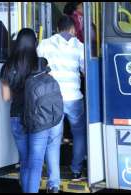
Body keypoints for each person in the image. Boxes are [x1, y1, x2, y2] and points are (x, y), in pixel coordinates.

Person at [0, 28, 63, 193]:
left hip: (16, 117)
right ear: (35, 44)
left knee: (26, 162)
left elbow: (6, 97)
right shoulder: (41, 63)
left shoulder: (8, 67)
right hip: (38, 118)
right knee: (35, 163)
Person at [37, 15, 87, 182]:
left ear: (57, 29)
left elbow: (39, 68)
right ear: (72, 29)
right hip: (74, 97)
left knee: (54, 137)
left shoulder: (44, 44)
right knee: (79, 134)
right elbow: (86, 71)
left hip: (52, 98)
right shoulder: (80, 46)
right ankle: (76, 171)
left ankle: (54, 178)